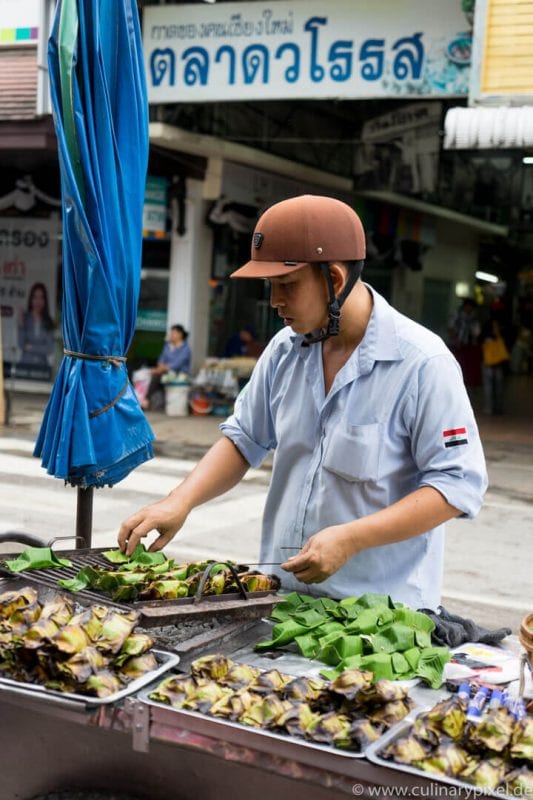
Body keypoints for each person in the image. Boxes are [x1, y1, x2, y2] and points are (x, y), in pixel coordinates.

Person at [119, 195, 487, 610]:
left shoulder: (422, 364)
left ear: (333, 278)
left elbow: (456, 485)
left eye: (287, 285)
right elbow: (243, 439)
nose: (274, 301)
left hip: (381, 616)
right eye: (270, 286)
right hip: (283, 599)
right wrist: (178, 502)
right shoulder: (283, 351)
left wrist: (352, 538)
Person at [141, 324, 191, 411]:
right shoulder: (168, 346)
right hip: (165, 373)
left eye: (173, 333)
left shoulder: (185, 349)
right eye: (171, 333)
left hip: (179, 374)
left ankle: (146, 400)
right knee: (148, 374)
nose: (171, 335)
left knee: (156, 376)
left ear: (180, 334)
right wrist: (160, 368)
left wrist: (161, 369)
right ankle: (145, 401)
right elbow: (161, 360)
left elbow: (177, 364)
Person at [17, 282, 55, 368]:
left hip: (42, 367)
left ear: (45, 300)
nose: (38, 301)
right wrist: (21, 325)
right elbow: (21, 344)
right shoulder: (25, 318)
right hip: (25, 365)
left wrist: (30, 347)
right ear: (31, 299)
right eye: (35, 297)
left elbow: (49, 349)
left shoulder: (49, 321)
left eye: (41, 297)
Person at [448, 298, 482, 388]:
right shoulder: (457, 315)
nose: (470, 309)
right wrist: (455, 340)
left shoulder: (473, 317)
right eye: (469, 306)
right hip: (457, 345)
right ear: (465, 306)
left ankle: (464, 382)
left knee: (466, 366)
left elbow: (476, 331)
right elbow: (450, 328)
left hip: (468, 345)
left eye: (472, 307)